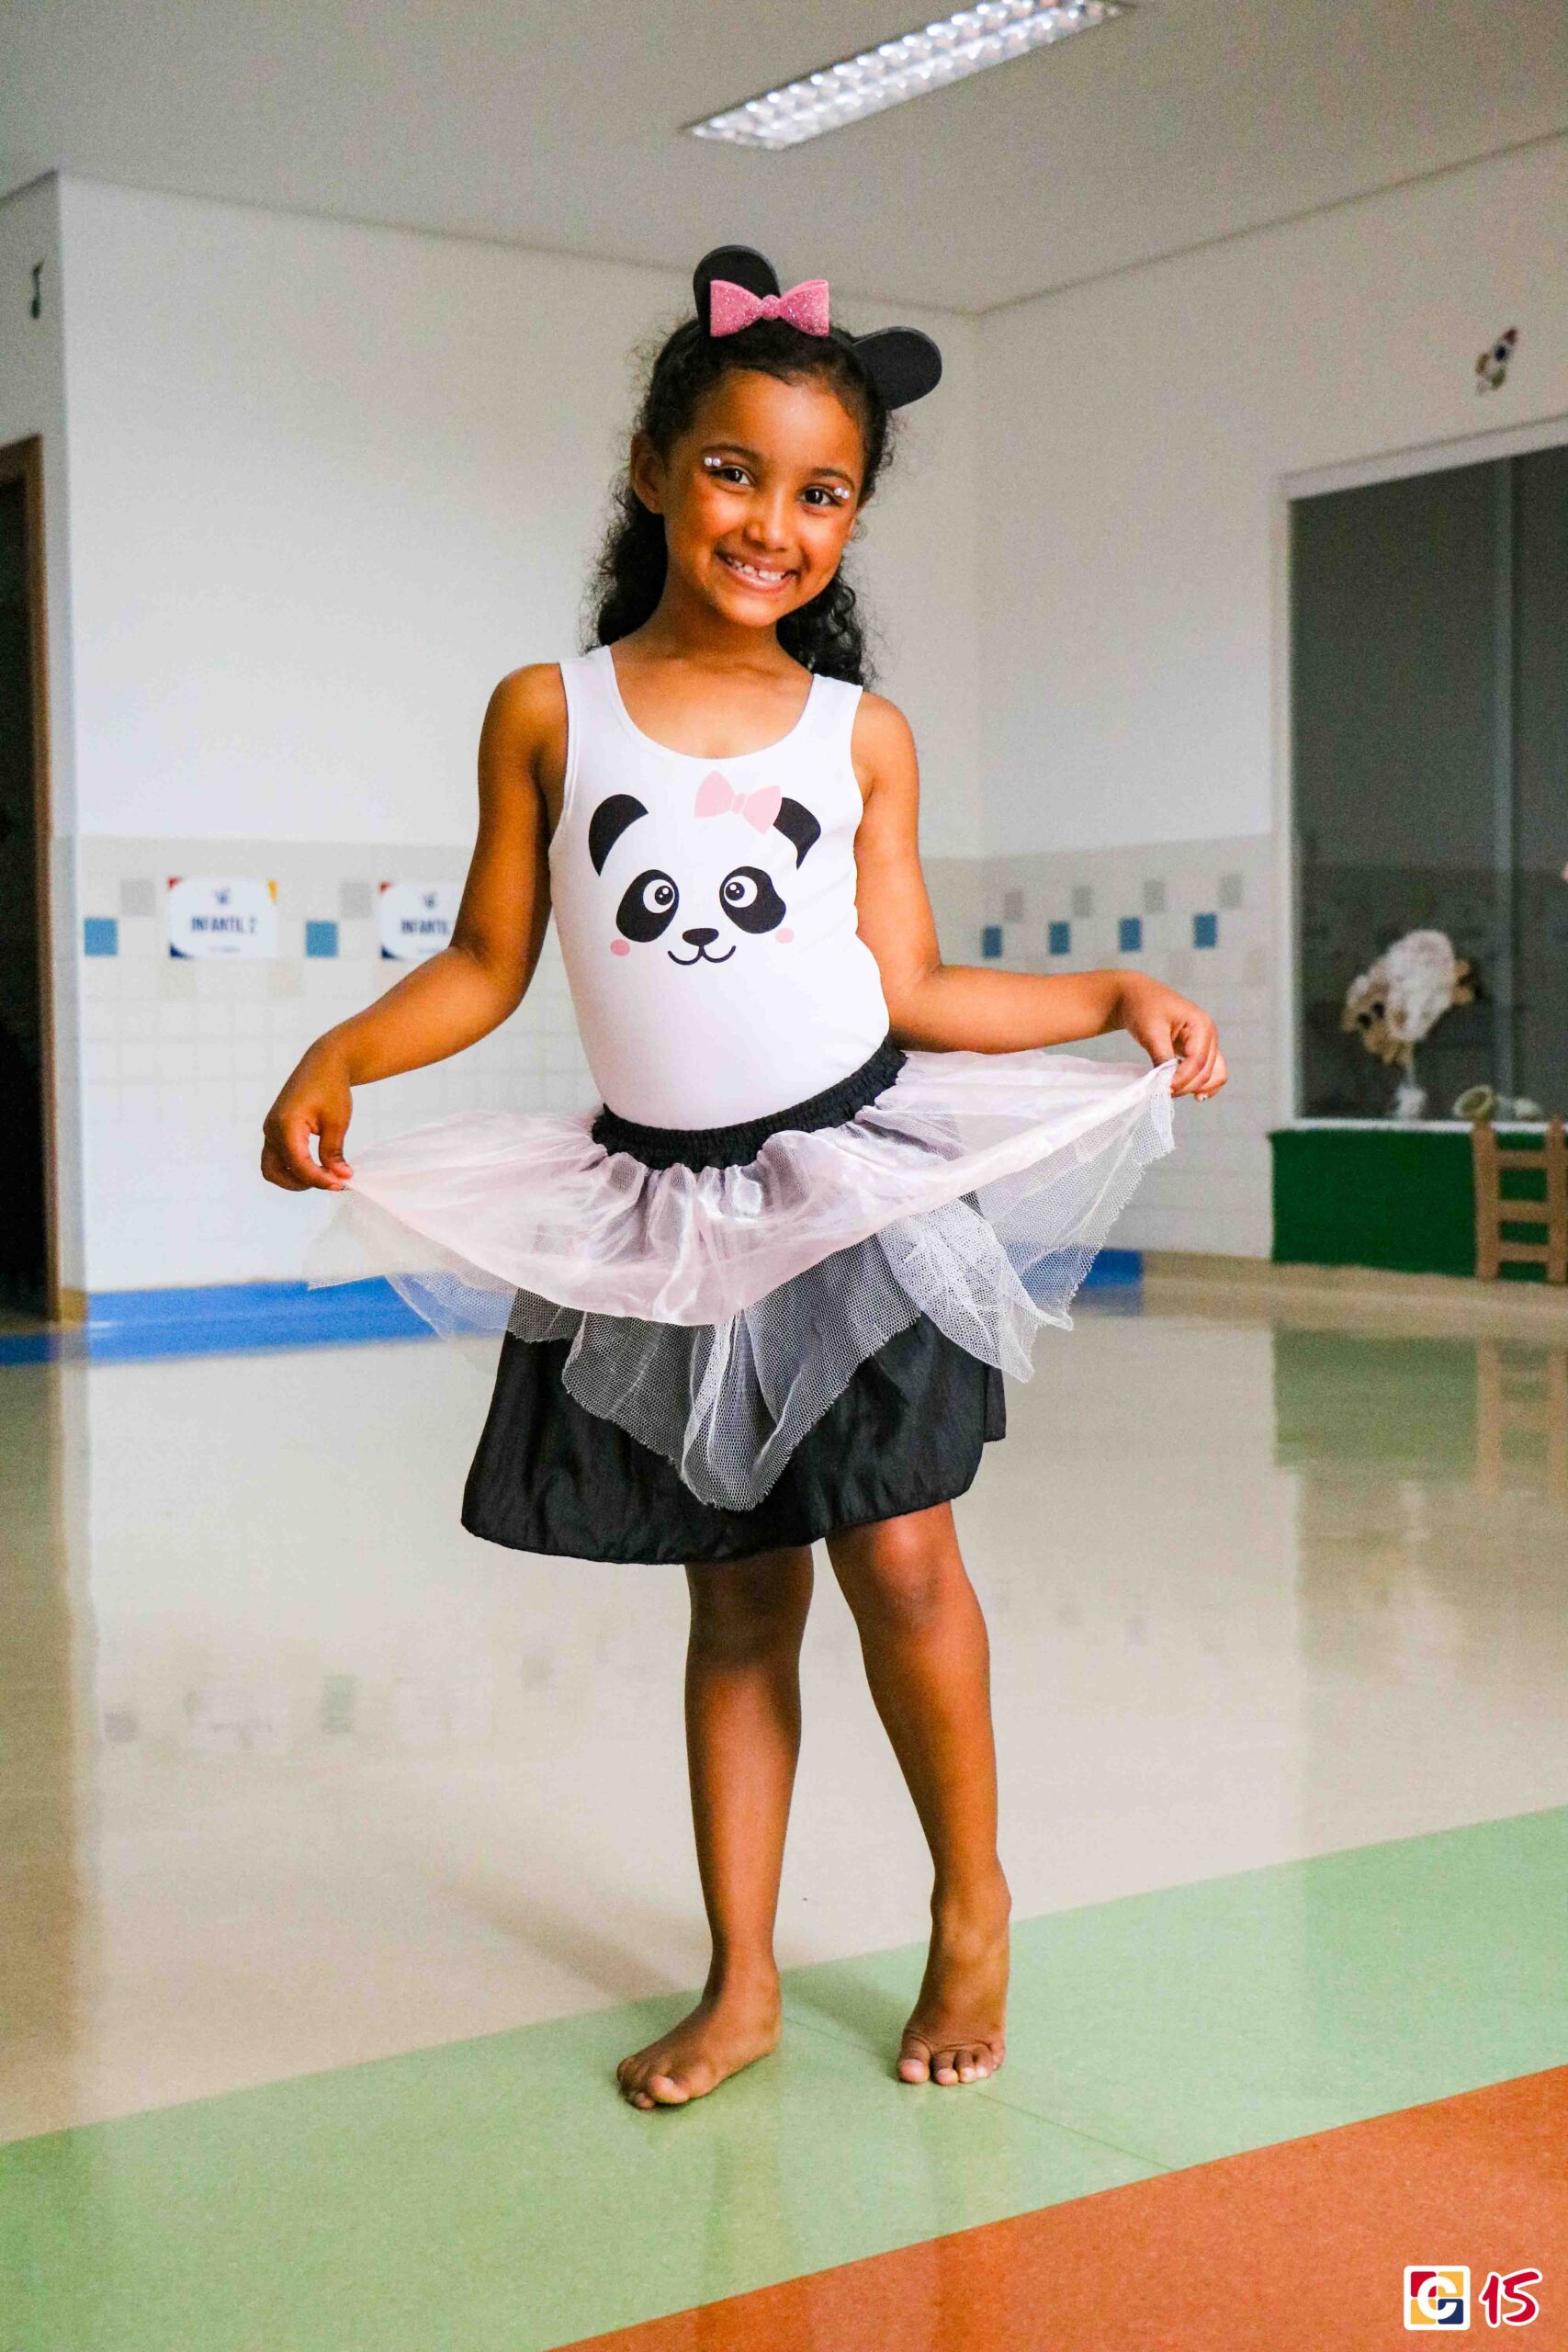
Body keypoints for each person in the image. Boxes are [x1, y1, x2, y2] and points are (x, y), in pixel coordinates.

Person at [262, 243, 1227, 2113]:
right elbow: (486, 960)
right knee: (734, 1596)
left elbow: (915, 985)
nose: (771, 522)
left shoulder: (860, 735)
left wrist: (1109, 993)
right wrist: (341, 1053)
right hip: (666, 1217)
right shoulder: (547, 709)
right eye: (732, 471)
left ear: (849, 520)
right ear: (650, 468)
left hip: (857, 1192)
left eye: (819, 492)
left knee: (903, 1553)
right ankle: (746, 1977)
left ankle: (970, 1898)